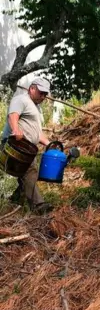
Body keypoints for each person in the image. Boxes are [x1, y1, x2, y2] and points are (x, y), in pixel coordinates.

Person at [1, 78, 54, 214]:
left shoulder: (36, 108)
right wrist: (15, 130)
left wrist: (49, 144)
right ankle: (38, 206)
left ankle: (13, 202)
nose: (43, 96)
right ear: (32, 89)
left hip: (27, 148)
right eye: (41, 93)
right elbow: (13, 115)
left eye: (45, 94)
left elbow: (37, 133)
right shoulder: (22, 99)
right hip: (15, 144)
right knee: (29, 172)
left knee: (30, 174)